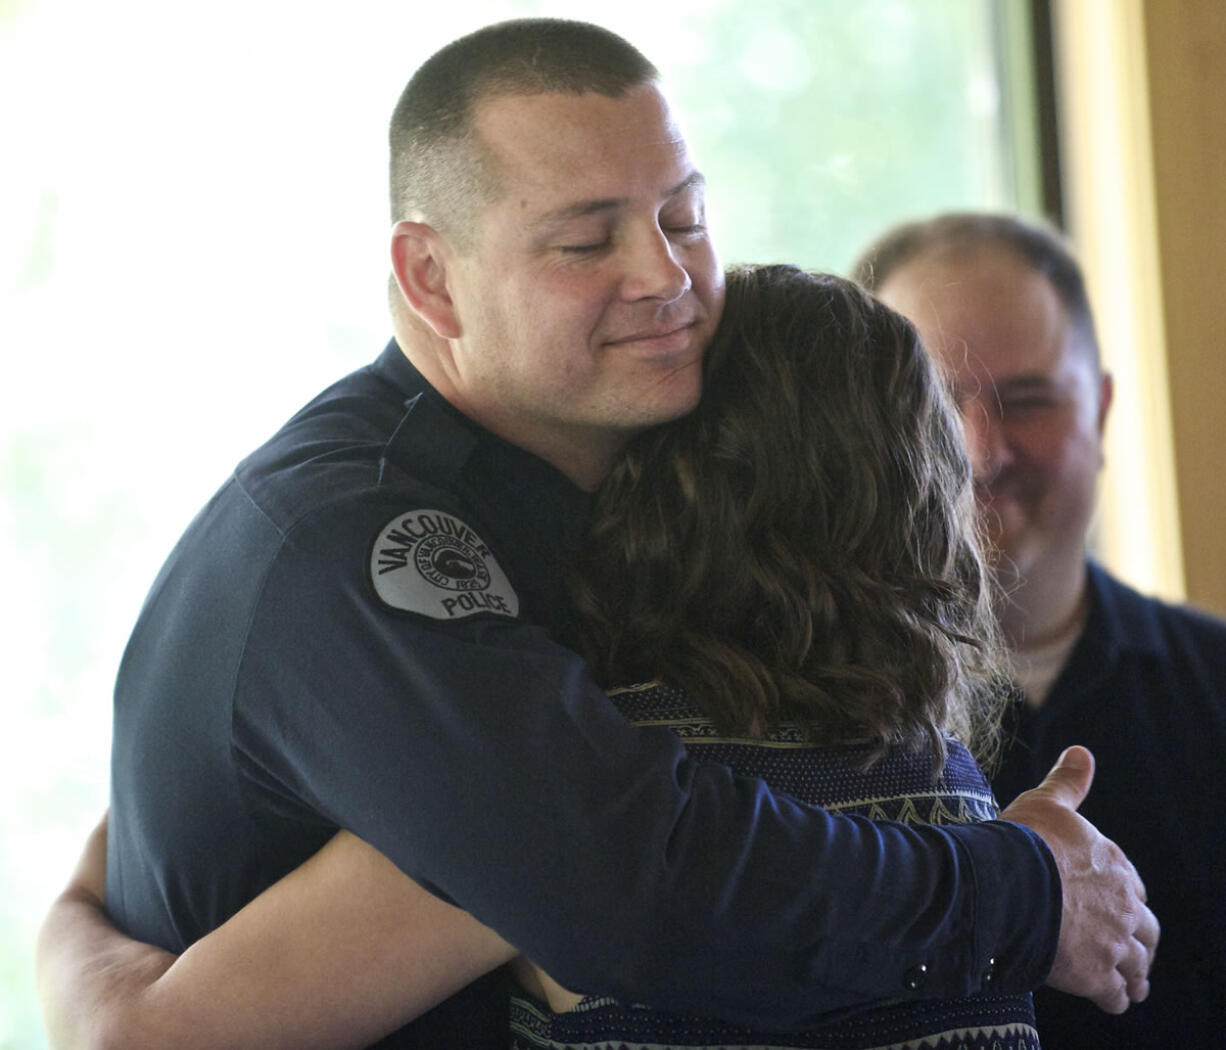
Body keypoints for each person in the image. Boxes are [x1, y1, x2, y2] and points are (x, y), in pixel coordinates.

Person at [38, 23, 1154, 1049]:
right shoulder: (359, 534)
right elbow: (631, 885)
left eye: (684, 218)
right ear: (431, 278)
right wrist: (1020, 892)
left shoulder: (625, 534)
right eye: (586, 241)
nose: (665, 278)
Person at [40, 264, 1046, 1050]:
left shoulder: (578, 788)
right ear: (924, 513)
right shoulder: (954, 790)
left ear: (656, 491)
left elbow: (155, 1031)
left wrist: (69, 925)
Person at [853, 210, 1226, 1047]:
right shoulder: (778, 716)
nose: (983, 453)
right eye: (936, 402)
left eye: (1027, 400)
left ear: (1098, 409)